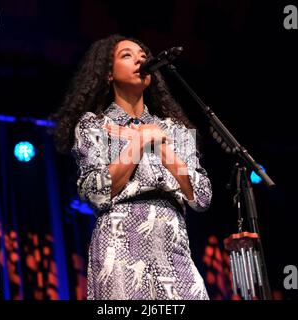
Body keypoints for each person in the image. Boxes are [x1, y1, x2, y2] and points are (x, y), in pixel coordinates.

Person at [50, 34, 212, 300]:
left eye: (142, 55)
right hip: (119, 244)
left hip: (173, 244)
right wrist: (137, 145)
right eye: (127, 55)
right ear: (108, 74)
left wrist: (161, 147)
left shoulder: (174, 129)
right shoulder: (94, 126)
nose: (140, 59)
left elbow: (202, 197)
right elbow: (96, 193)